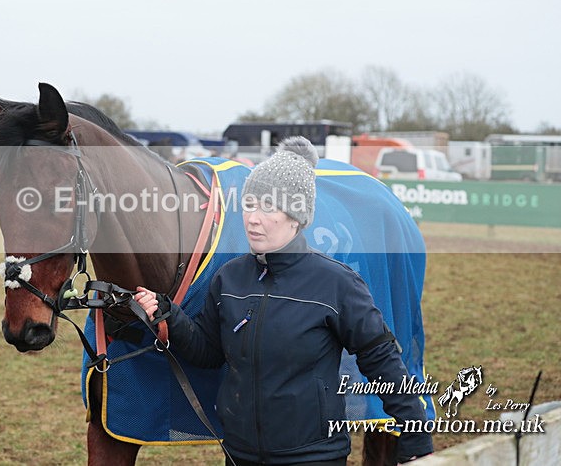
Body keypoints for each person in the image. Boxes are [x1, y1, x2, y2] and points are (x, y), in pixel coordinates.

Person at [134, 137, 433, 466]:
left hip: (313, 457)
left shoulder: (337, 283)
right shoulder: (229, 278)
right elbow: (207, 352)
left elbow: (382, 361)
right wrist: (169, 316)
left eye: (268, 207)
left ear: (297, 216)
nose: (253, 218)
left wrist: (415, 436)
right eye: (249, 204)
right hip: (239, 455)